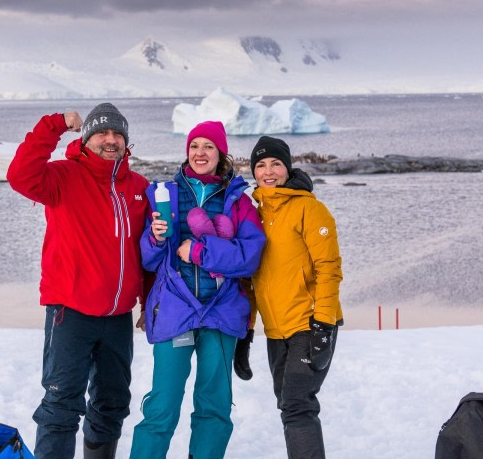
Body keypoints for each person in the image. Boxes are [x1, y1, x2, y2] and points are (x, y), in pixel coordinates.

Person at [7, 103, 149, 459]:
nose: (110, 140)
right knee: (61, 404)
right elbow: (20, 175)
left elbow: (146, 254)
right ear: (87, 139)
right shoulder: (62, 177)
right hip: (69, 313)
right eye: (102, 133)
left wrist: (148, 303)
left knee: (113, 403)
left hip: (117, 318)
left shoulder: (138, 188)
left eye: (118, 134)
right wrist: (54, 125)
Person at [130, 121, 265, 459]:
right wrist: (156, 238)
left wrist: (201, 253)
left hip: (221, 313)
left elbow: (251, 255)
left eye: (208, 146)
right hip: (176, 310)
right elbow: (148, 260)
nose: (200, 153)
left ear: (221, 154)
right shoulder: (167, 195)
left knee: (215, 406)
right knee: (161, 406)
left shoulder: (238, 201)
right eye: (194, 146)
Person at [243, 135, 344, 459]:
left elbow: (329, 269)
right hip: (276, 330)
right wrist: (247, 332)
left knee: (297, 406)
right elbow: (254, 279)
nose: (268, 172)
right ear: (253, 171)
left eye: (275, 164)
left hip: (309, 323)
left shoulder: (309, 209)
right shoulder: (254, 215)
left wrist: (323, 326)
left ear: (287, 168)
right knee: (288, 404)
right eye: (261, 165)